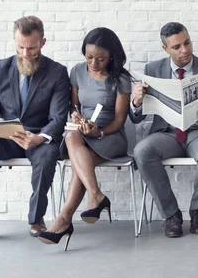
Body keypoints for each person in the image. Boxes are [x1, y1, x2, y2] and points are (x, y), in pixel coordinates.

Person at [0, 16, 70, 243]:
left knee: (48, 154)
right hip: (7, 137)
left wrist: (40, 137)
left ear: (42, 43)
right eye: (20, 47)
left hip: (39, 138)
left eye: (31, 48)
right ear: (14, 41)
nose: (25, 53)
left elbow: (58, 117)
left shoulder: (57, 72)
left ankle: (36, 220)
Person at [130, 22, 198, 238]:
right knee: (142, 151)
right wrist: (136, 102)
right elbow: (137, 118)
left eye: (187, 43)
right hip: (167, 134)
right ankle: (171, 215)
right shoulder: (152, 70)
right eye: (176, 47)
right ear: (165, 48)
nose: (184, 50)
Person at [38, 27, 132, 249]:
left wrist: (98, 132)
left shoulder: (121, 78)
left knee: (78, 162)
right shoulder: (78, 72)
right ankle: (95, 195)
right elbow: (73, 105)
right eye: (89, 57)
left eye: (101, 59)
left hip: (110, 136)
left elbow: (119, 121)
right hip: (82, 133)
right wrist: (76, 116)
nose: (93, 63)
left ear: (112, 56)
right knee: (72, 138)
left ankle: (63, 220)